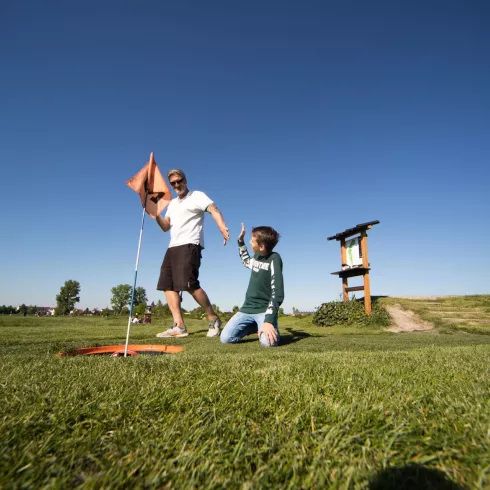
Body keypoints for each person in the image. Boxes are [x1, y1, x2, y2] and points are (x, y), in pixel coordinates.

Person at [154, 169, 230, 338]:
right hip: (172, 246)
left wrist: (222, 227)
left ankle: (213, 318)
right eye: (173, 183)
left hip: (190, 245)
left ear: (185, 180)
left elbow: (213, 209)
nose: (176, 185)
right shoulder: (172, 204)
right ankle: (179, 326)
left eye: (179, 181)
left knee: (189, 285)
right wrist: (155, 215)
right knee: (167, 285)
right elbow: (166, 227)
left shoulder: (197, 196)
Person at [220, 223, 284, 347]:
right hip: (246, 309)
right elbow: (246, 261)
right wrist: (240, 242)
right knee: (225, 339)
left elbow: (278, 292)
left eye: (252, 240)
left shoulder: (274, 259)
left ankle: (265, 326)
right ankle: (253, 326)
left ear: (261, 246)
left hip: (264, 311)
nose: (250, 242)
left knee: (268, 343)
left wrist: (269, 320)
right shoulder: (257, 256)